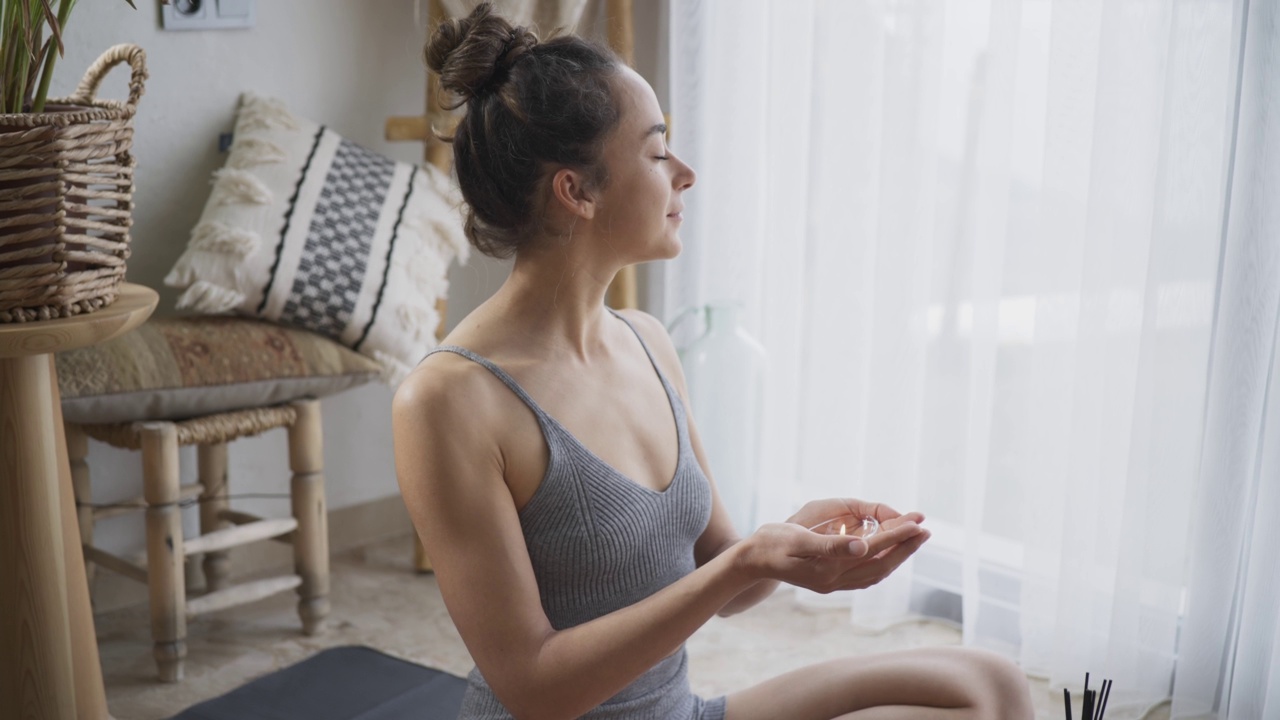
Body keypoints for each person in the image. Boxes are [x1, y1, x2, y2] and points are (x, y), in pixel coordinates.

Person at [392, 4, 1035, 719]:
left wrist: (799, 541)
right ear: (576, 191)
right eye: (657, 151)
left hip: (680, 711)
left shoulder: (647, 341)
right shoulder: (449, 399)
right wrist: (745, 561)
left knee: (991, 684)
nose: (686, 173)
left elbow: (724, 569)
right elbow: (536, 688)